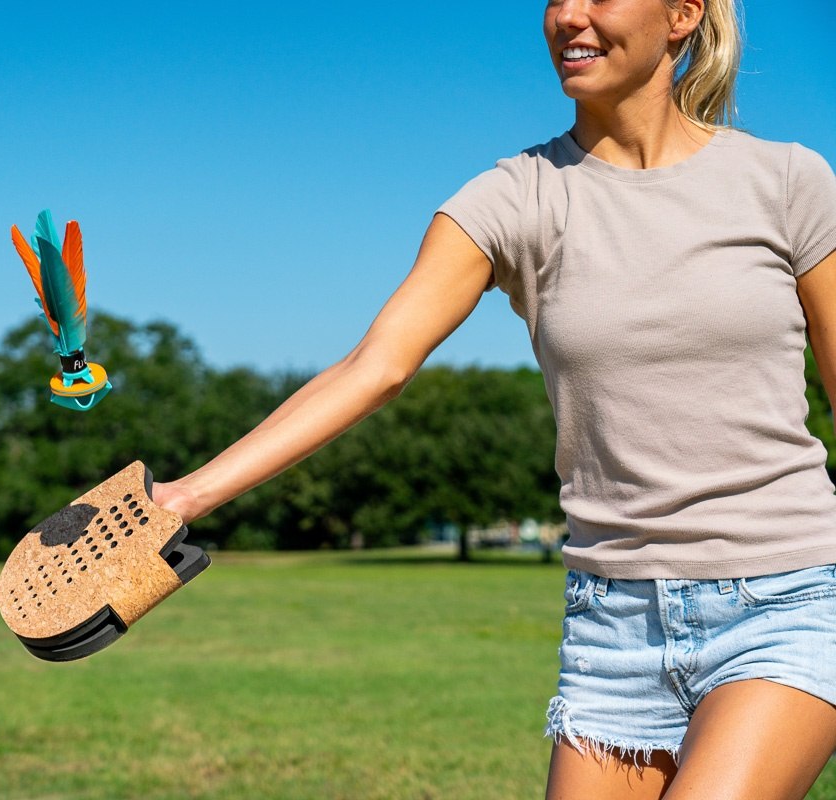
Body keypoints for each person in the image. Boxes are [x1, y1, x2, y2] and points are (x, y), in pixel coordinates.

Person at [153, 0, 836, 796]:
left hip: (784, 596)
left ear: (682, 15)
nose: (568, 16)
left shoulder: (788, 182)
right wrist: (181, 497)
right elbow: (375, 367)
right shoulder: (512, 199)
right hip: (612, 621)